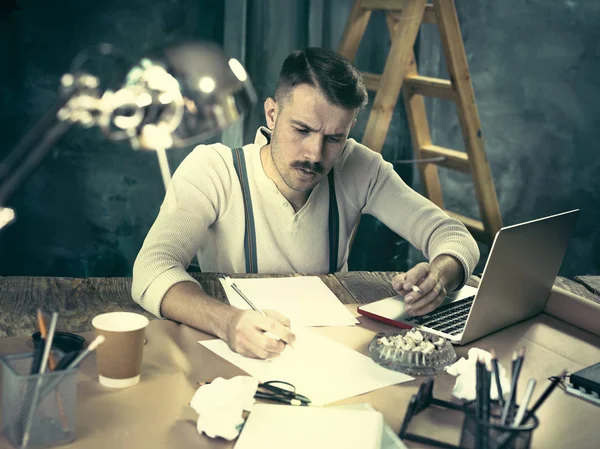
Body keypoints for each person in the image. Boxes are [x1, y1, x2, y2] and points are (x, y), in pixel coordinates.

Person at [132, 47, 480, 360]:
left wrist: (441, 276)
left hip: (329, 353)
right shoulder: (215, 170)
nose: (315, 154)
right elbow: (152, 268)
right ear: (271, 114)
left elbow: (453, 235)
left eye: (333, 138)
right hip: (237, 351)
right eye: (301, 130)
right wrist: (227, 322)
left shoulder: (358, 166)